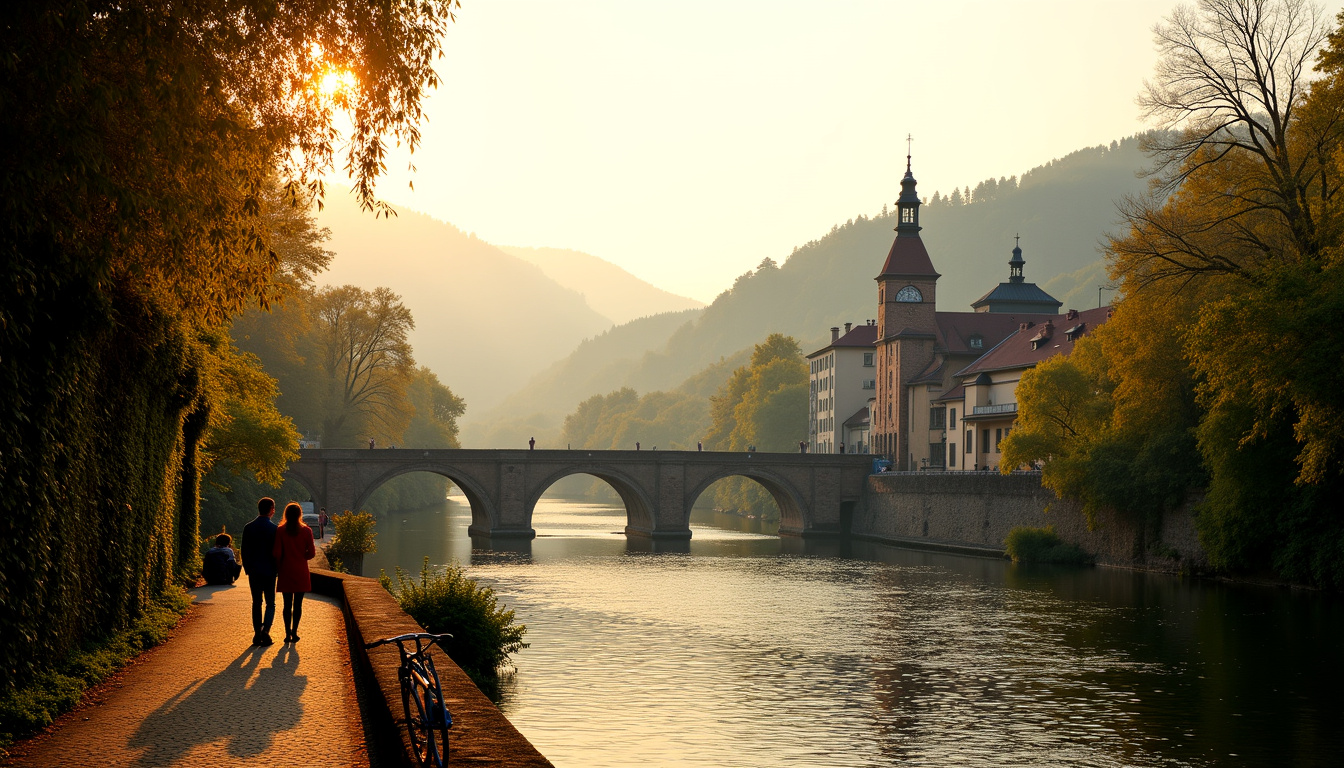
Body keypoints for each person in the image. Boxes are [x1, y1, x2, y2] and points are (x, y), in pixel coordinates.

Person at [272, 502, 316, 643]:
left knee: (286, 605)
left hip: (286, 570)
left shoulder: (280, 531)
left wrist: (280, 567)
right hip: (300, 571)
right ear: (299, 514)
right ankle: (295, 632)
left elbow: (277, 553)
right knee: (298, 605)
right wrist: (302, 557)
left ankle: (287, 633)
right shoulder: (306, 531)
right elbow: (312, 553)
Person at [242, 497, 280, 646]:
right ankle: (266, 631)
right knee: (270, 603)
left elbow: (245, 550)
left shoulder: (248, 527)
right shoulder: (275, 529)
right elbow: (277, 552)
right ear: (272, 510)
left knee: (256, 602)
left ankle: (257, 633)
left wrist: (248, 568)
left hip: (254, 571)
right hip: (270, 571)